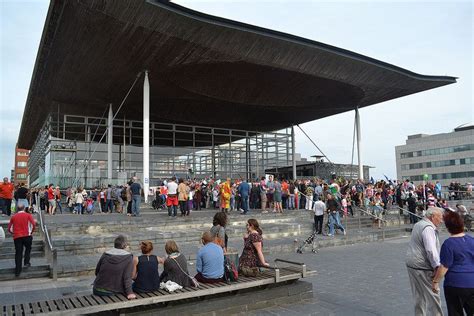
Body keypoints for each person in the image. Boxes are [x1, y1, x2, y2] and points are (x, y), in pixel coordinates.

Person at [432, 211, 474, 316]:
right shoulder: (471, 240)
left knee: (455, 312)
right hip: (472, 282)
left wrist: (435, 281)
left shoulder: (448, 244)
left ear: (448, 227)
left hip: (454, 283)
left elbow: (444, 266)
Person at [405, 207, 444, 316]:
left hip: (412, 264)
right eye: (440, 218)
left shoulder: (418, 224)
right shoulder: (428, 228)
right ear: (432, 217)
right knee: (434, 295)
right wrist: (437, 266)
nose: (441, 221)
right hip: (423, 266)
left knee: (419, 296)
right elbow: (431, 250)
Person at [93, 235, 136, 299]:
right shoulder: (128, 257)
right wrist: (130, 293)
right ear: (125, 246)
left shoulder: (105, 254)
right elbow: (127, 277)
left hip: (97, 289)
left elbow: (97, 272)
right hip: (112, 291)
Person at [7, 204, 36, 277]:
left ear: (17, 209)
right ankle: (26, 262)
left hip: (17, 236)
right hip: (27, 235)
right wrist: (31, 232)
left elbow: (10, 228)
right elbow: (33, 224)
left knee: (18, 253)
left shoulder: (13, 217)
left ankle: (18, 271)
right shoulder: (28, 215)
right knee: (28, 248)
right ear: (24, 208)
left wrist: (13, 233)